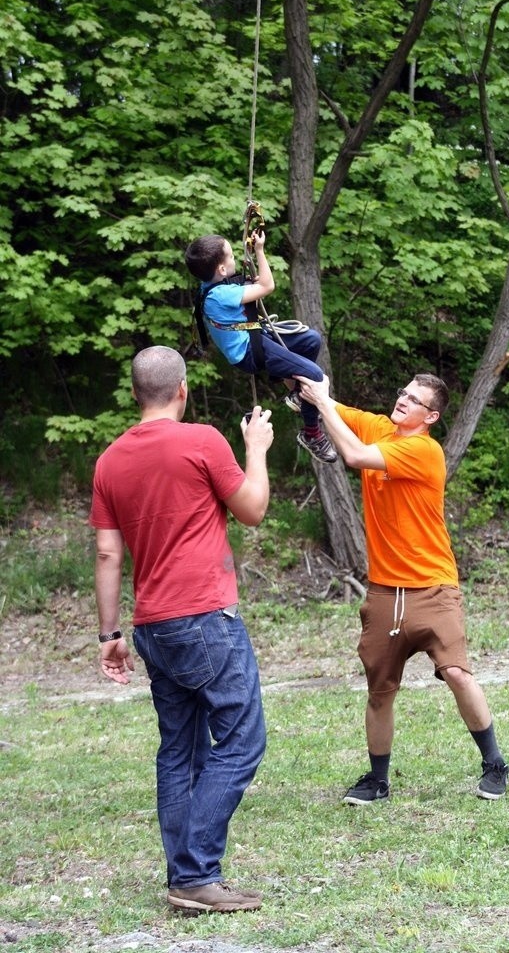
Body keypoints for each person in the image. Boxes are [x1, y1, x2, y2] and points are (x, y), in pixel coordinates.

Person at [89, 345, 273, 915]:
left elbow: (105, 553)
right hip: (204, 619)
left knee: (179, 751)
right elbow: (253, 509)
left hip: (153, 627)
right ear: (183, 390)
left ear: (135, 394)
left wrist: (108, 634)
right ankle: (195, 874)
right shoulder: (202, 441)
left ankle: (184, 878)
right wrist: (256, 449)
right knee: (242, 739)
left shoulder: (109, 461)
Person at [295, 371, 509, 803]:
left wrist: (320, 401)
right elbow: (332, 408)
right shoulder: (381, 428)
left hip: (433, 587)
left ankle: (495, 763)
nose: (402, 401)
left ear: (430, 416)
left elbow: (353, 455)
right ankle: (378, 780)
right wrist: (302, 383)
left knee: (455, 672)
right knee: (379, 690)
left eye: (414, 400)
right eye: (402, 393)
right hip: (383, 593)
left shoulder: (424, 451)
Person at [185, 231, 337, 465]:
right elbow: (267, 286)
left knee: (311, 340)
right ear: (222, 270)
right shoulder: (221, 295)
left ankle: (297, 393)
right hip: (248, 352)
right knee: (315, 376)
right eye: (231, 256)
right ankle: (311, 434)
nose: (235, 259)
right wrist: (259, 251)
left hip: (255, 337)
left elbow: (239, 288)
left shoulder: (211, 285)